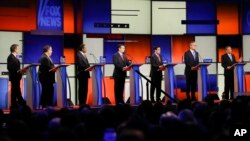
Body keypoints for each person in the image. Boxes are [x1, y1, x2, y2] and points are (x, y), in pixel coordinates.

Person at [7, 44, 26, 109]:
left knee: (15, 92)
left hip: (17, 77)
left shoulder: (14, 57)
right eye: (18, 48)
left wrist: (20, 71)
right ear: (15, 49)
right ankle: (22, 104)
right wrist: (18, 71)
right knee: (16, 92)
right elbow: (10, 67)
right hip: (14, 77)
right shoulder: (10, 57)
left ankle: (15, 106)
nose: (19, 49)